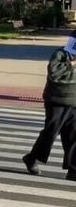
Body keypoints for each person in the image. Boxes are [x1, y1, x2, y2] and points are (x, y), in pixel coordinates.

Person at [23, 31, 76, 179]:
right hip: (57, 101)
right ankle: (32, 157)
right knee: (51, 133)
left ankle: (73, 169)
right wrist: (72, 64)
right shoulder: (60, 54)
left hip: (74, 102)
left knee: (73, 135)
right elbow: (54, 74)